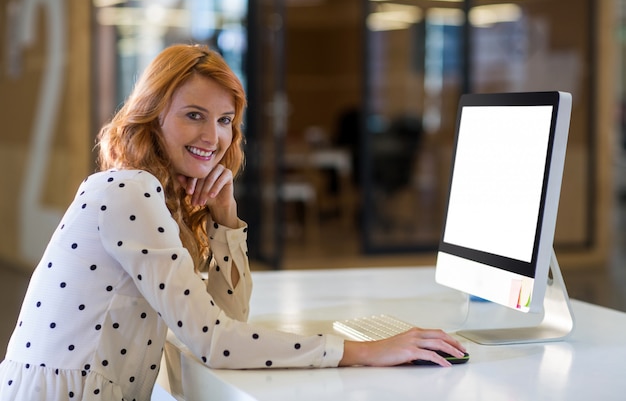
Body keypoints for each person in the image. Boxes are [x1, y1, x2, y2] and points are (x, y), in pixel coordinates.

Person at [0, 44, 466, 400]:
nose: (214, 136)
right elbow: (215, 341)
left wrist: (226, 220)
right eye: (194, 116)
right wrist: (365, 351)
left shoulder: (164, 198)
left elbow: (228, 319)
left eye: (225, 120)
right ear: (151, 116)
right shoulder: (129, 190)